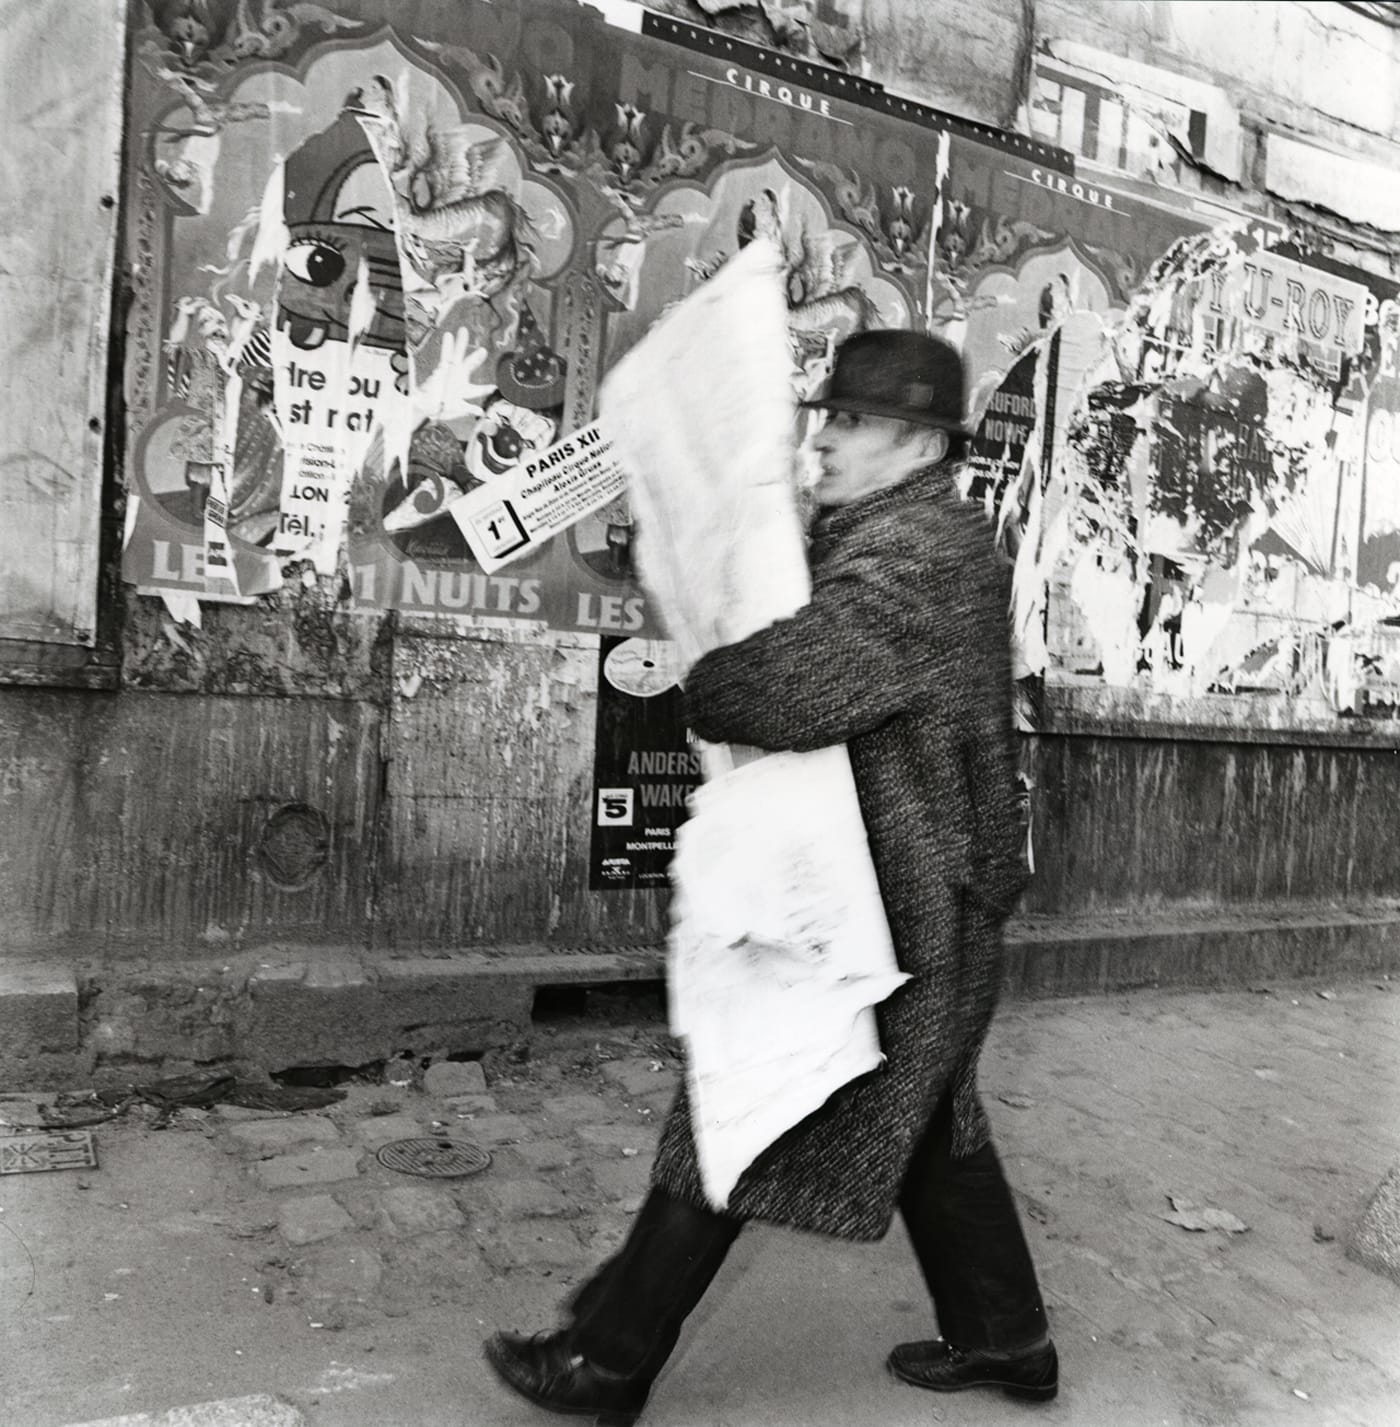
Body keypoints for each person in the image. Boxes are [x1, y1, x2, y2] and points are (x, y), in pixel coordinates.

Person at [485, 330, 1055, 1424]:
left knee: (747, 1102)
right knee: (928, 1121)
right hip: (909, 901)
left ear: (920, 444)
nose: (823, 439)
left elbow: (776, 689)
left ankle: (605, 1361)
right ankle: (1007, 1337)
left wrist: (706, 661)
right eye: (825, 414)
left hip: (895, 918)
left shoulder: (916, 557)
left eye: (853, 420)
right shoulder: (903, 536)